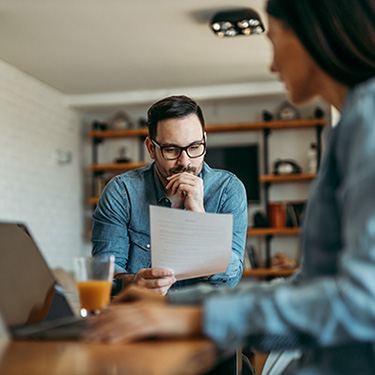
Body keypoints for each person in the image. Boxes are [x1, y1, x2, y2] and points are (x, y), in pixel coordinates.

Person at [86, 1, 375, 373]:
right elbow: (311, 285)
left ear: (310, 36)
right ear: (152, 148)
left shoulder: (366, 125)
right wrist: (173, 308)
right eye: (172, 149)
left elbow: (363, 300)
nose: (272, 65)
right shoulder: (351, 126)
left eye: (274, 40)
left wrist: (193, 318)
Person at [91, 95, 248, 295]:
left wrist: (199, 217)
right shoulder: (121, 192)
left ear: (204, 141)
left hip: (199, 318)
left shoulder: (228, 189)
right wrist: (134, 282)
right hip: (141, 315)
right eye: (171, 150)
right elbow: (103, 276)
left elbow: (230, 279)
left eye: (194, 147)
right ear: (151, 148)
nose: (185, 162)